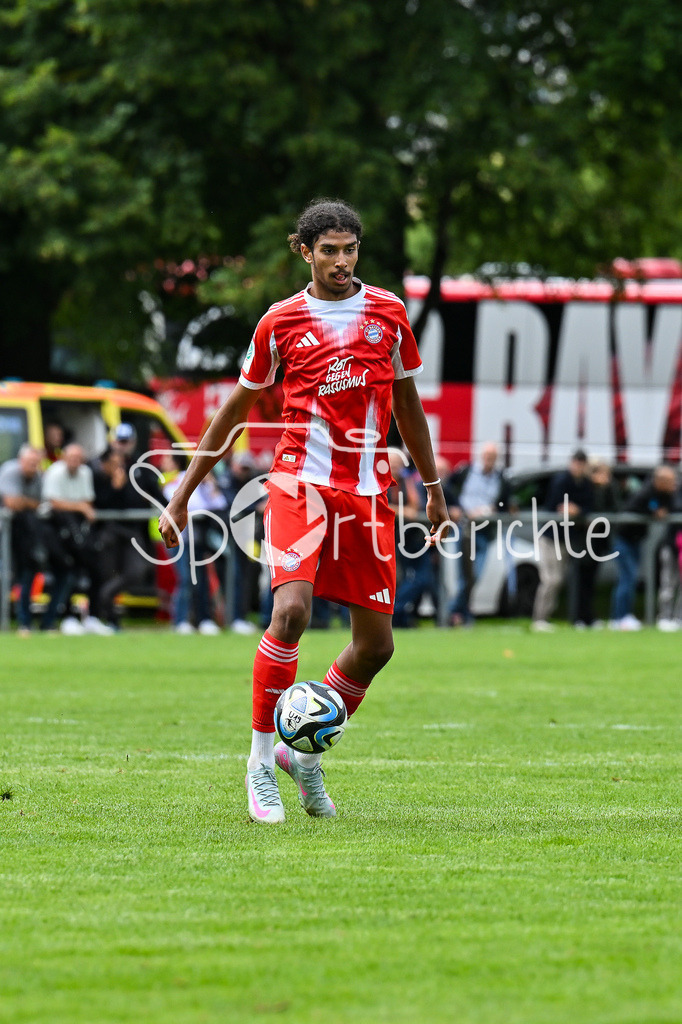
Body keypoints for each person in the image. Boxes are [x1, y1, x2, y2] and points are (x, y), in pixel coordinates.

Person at [159, 198, 449, 823]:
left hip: (369, 496)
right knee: (290, 610)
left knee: (376, 648)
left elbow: (408, 407)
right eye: (329, 250)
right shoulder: (280, 323)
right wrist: (182, 494)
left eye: (350, 250)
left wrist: (432, 485)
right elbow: (234, 413)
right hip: (298, 486)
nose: (341, 261)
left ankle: (305, 752)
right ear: (304, 250)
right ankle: (261, 765)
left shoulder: (389, 315)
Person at [41, 443, 112, 635]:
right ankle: (67, 617)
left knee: (94, 569)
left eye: (77, 458)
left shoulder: (85, 473)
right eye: (71, 458)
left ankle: (92, 618)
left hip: (78, 527)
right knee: (67, 571)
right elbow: (54, 503)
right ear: (64, 457)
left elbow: (88, 500)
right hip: (55, 527)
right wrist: (79, 507)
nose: (74, 462)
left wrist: (80, 507)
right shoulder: (55, 473)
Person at [0, 445, 71, 634]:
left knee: (45, 571)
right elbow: (12, 503)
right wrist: (31, 504)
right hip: (8, 533)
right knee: (17, 574)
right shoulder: (10, 471)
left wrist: (26, 503)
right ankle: (22, 622)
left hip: (32, 533)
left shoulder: (40, 476)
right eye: (30, 463)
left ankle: (41, 622)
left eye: (36, 463)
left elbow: (44, 503)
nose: (33, 467)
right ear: (20, 460)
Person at [531, 449, 595, 632]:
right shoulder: (561, 480)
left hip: (566, 538)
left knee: (558, 579)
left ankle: (545, 617)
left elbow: (588, 506)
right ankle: (539, 618)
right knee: (551, 579)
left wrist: (578, 510)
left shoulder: (585, 484)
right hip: (550, 536)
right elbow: (555, 505)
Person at [162, 454, 227, 634]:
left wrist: (210, 484)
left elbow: (219, 502)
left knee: (201, 579)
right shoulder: (177, 480)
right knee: (185, 579)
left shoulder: (197, 481)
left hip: (196, 539)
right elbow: (184, 504)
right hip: (181, 539)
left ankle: (202, 619)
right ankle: (182, 620)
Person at [447, 442, 510, 626]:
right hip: (465, 528)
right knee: (463, 574)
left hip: (484, 531)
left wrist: (496, 508)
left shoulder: (500, 478)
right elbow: (447, 489)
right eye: (487, 456)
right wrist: (455, 508)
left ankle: (457, 610)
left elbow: (504, 503)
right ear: (481, 456)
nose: (489, 460)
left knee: (475, 574)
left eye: (492, 457)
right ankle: (459, 613)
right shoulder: (466, 471)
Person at [610, 464, 678, 631]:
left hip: (636, 541)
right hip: (624, 541)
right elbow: (631, 510)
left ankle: (625, 615)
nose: (674, 485)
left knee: (631, 578)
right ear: (660, 481)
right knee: (627, 578)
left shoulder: (665, 495)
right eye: (671, 481)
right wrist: (652, 512)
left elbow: (670, 507)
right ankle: (618, 617)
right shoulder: (645, 493)